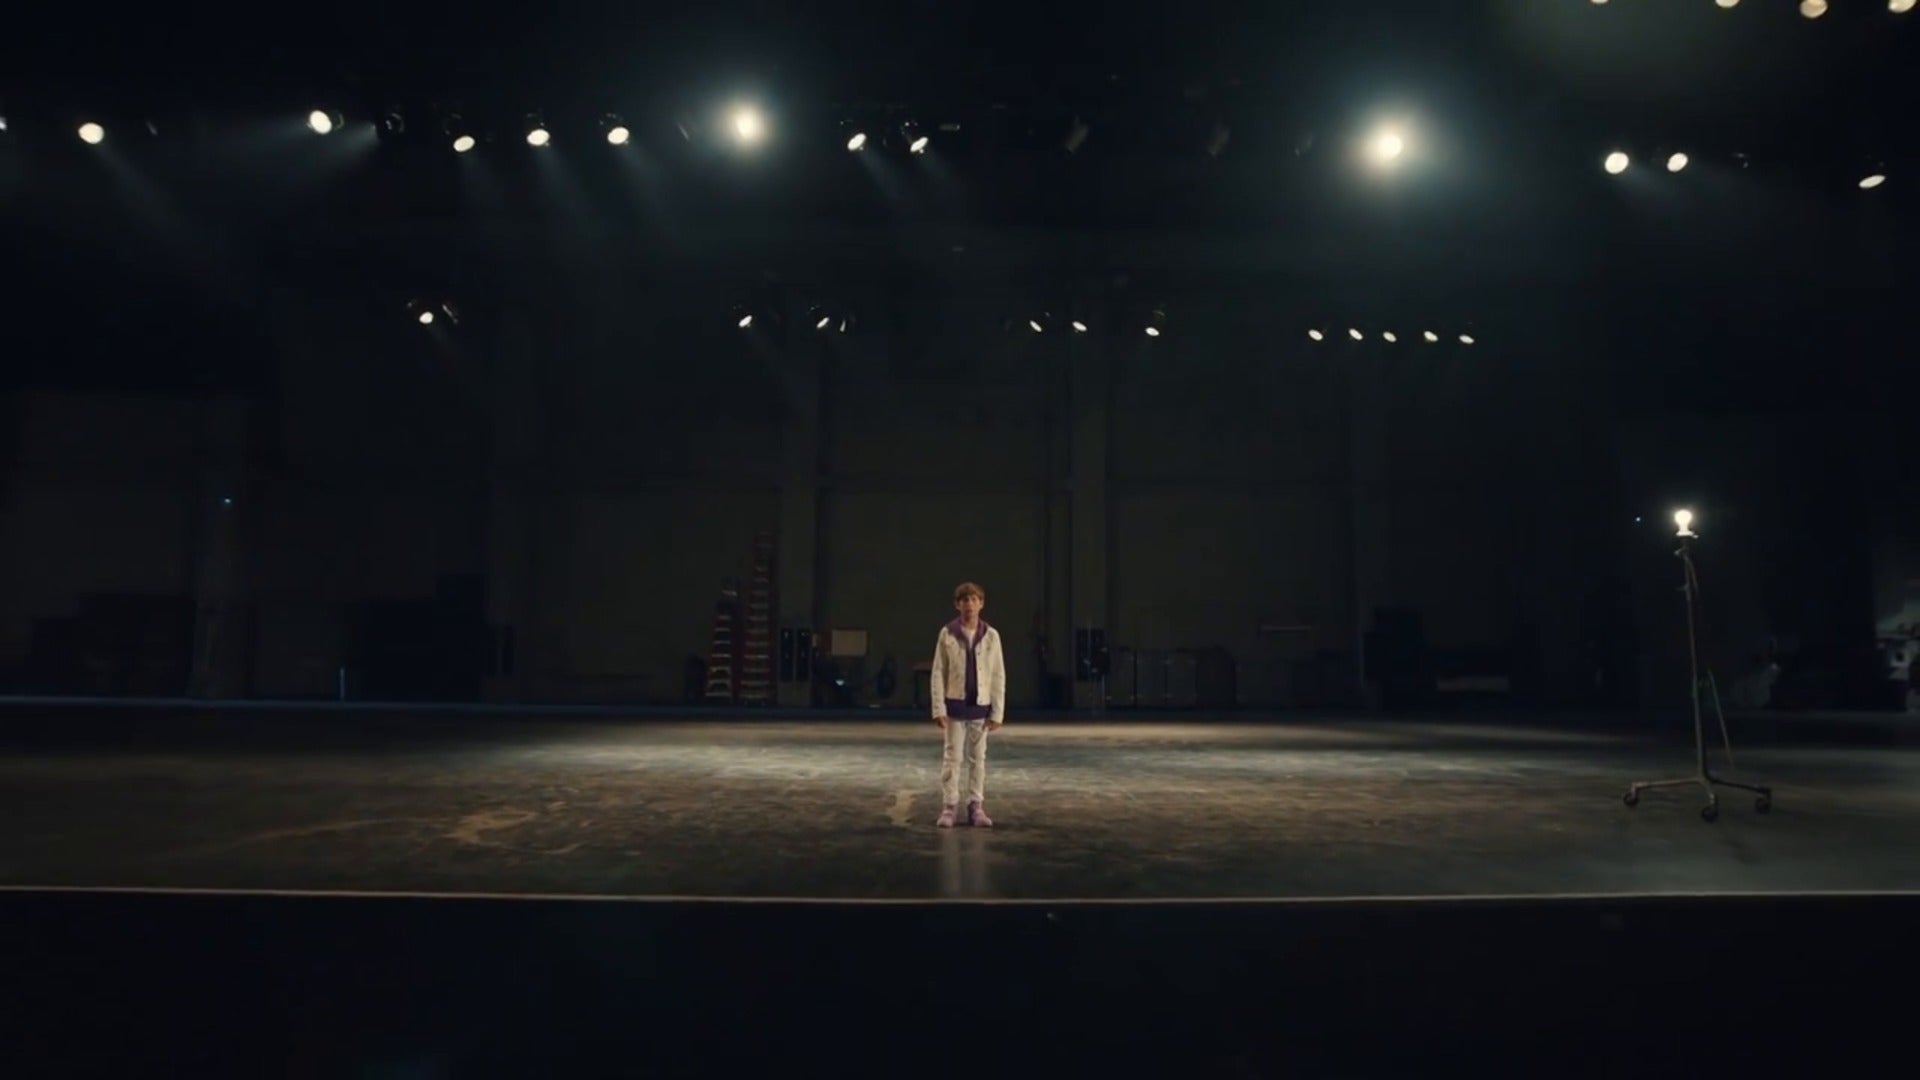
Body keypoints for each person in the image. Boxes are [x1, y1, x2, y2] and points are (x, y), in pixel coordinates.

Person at [930, 581, 1006, 828]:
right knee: (952, 758)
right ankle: (949, 806)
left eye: (974, 600)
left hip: (979, 708)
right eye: (965, 600)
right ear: (957, 604)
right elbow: (938, 672)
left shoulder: (991, 636)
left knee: (978, 759)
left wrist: (997, 712)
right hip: (955, 707)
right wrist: (939, 708)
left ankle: (976, 806)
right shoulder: (947, 633)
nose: (969, 604)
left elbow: (998, 674)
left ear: (981, 604)